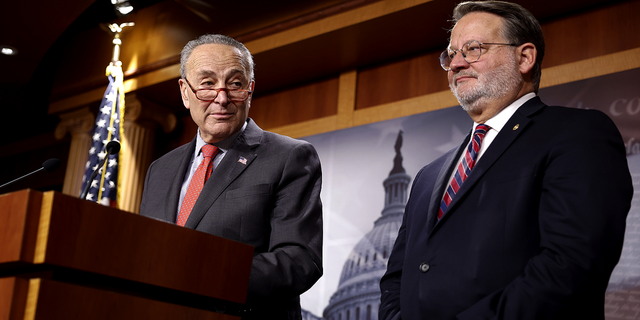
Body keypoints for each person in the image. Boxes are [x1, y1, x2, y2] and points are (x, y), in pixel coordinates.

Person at [379, 1, 633, 319]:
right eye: (451, 54)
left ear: (524, 57)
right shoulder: (428, 176)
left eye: (472, 49)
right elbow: (396, 279)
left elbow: (571, 266)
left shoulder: (577, 133)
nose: (456, 64)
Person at [139, 34, 323, 319]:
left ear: (249, 91)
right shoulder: (159, 170)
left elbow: (299, 259)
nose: (221, 98)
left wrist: (201, 278)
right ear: (185, 92)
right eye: (207, 84)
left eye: (235, 84)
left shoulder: (290, 156)